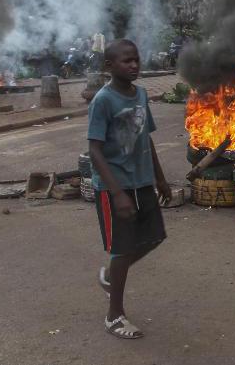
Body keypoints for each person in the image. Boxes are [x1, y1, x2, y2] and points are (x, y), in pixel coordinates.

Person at [87, 39, 171, 340]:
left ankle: (110, 274)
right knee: (122, 249)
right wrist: (117, 193)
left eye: (136, 59)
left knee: (154, 237)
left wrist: (160, 178)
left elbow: (145, 137)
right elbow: (95, 151)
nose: (134, 65)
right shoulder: (103, 100)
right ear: (109, 66)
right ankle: (114, 316)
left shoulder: (142, 94)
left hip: (143, 182)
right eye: (126, 61)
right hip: (115, 187)